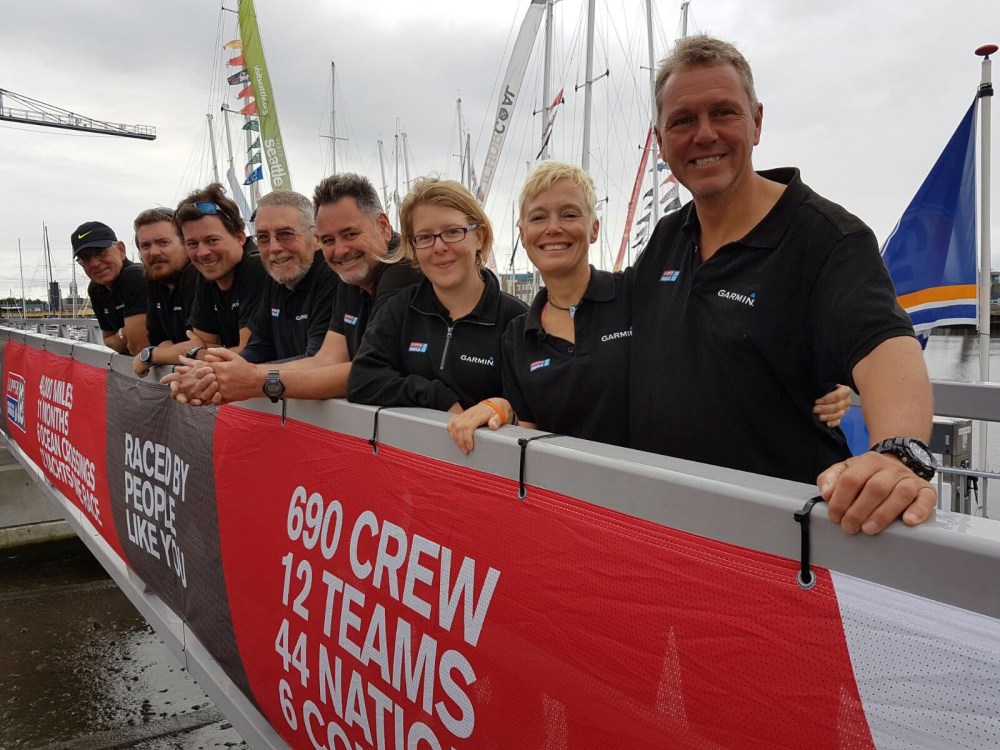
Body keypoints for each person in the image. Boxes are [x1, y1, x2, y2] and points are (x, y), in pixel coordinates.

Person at [629, 34, 935, 535]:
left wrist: (897, 451)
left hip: (783, 538)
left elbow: (885, 347)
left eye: (723, 113)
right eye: (682, 121)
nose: (704, 134)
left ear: (756, 122)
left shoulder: (827, 238)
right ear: (661, 142)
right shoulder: (666, 237)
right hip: (667, 524)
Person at [447, 160, 851, 453]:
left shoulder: (641, 295)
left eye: (569, 214)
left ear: (594, 227)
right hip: (573, 505)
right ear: (522, 233)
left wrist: (813, 380)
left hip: (657, 496)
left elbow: (727, 338)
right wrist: (502, 410)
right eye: (538, 218)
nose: (553, 228)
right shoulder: (518, 337)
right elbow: (531, 426)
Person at [165, 173, 421, 404]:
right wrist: (213, 374)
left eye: (350, 234)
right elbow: (326, 359)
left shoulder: (401, 268)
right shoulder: (350, 273)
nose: (340, 250)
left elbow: (369, 371)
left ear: (383, 226)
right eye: (329, 239)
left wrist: (253, 381)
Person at [347, 177, 527, 412]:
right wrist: (435, 397)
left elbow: (530, 412)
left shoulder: (516, 320)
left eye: (452, 232)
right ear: (413, 248)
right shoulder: (400, 310)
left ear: (479, 237)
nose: (439, 247)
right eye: (425, 237)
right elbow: (361, 380)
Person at [237, 190, 337, 363]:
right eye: (263, 237)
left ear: (316, 238)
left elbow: (317, 362)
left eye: (285, 234)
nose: (273, 248)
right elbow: (259, 348)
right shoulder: (277, 276)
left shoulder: (331, 275)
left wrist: (243, 373)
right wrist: (212, 370)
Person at [174, 183, 266, 361]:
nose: (202, 253)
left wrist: (197, 353)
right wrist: (201, 350)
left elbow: (247, 355)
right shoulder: (207, 274)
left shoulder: (256, 267)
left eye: (212, 240)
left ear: (239, 237)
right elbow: (203, 342)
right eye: (192, 244)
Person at [130, 208, 200, 377]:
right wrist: (168, 353)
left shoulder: (198, 277)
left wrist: (151, 355)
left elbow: (198, 348)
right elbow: (159, 338)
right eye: (145, 246)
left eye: (163, 242)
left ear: (186, 244)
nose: (154, 252)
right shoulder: (154, 281)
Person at [71, 221, 148, 355]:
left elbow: (139, 347)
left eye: (101, 252)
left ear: (121, 250)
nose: (95, 263)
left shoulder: (135, 276)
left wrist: (120, 337)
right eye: (85, 258)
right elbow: (107, 339)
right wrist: (124, 334)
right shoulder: (95, 289)